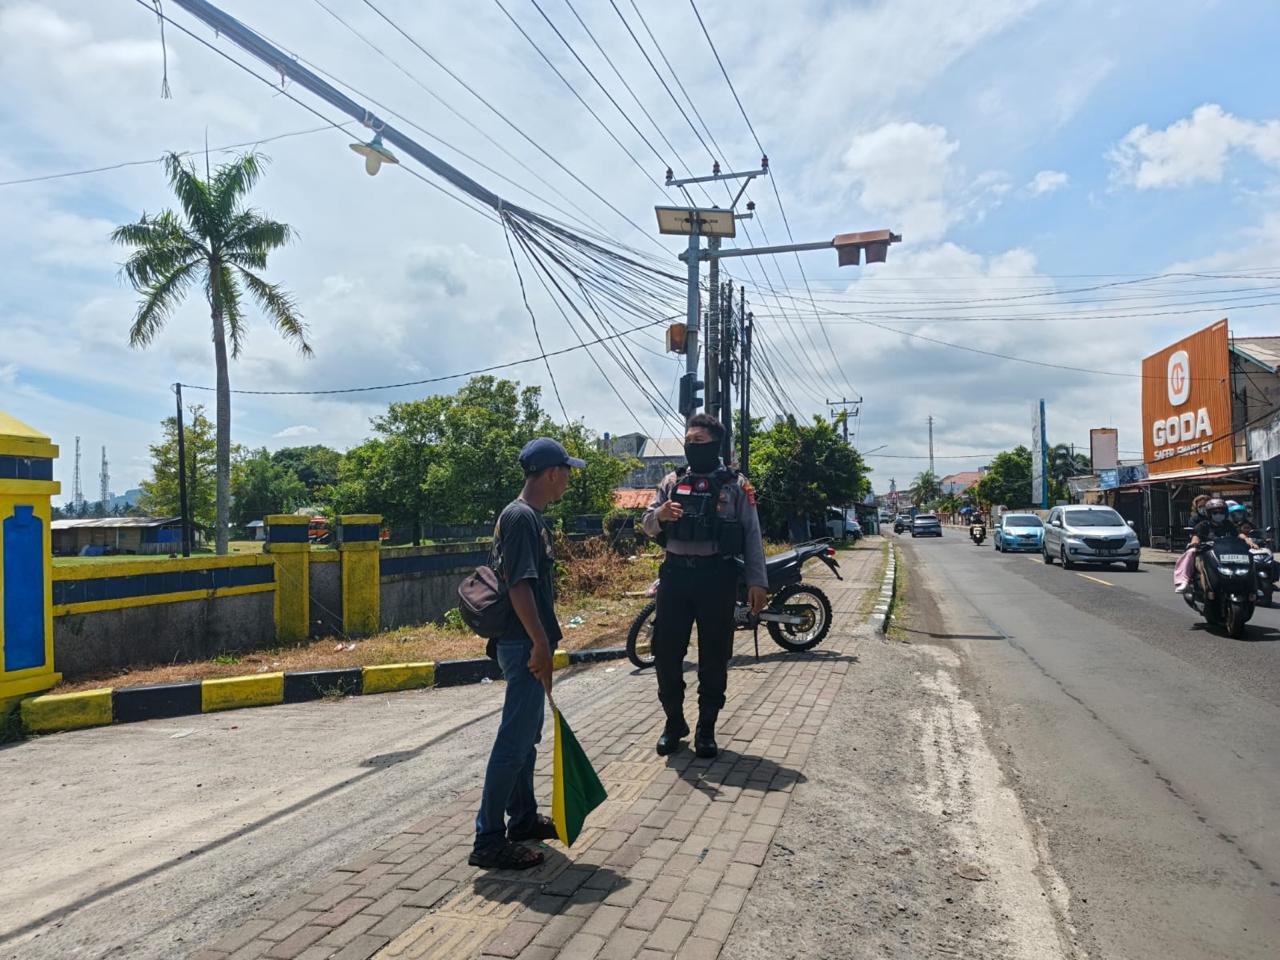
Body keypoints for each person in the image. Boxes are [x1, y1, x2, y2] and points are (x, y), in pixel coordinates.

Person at [470, 437, 583, 871]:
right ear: (552, 473)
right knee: (513, 743)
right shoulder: (520, 518)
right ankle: (488, 840)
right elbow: (519, 586)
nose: (569, 480)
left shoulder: (528, 517)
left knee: (526, 739)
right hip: (523, 645)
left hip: (527, 642)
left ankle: (521, 819)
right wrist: (539, 643)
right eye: (567, 472)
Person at [641, 414, 768, 759]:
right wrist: (660, 515)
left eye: (698, 440)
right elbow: (647, 525)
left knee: (714, 655)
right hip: (676, 576)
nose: (691, 446)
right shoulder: (671, 481)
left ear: (715, 444)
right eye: (688, 440)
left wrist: (757, 581)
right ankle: (674, 722)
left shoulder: (736, 485)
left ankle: (706, 728)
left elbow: (752, 534)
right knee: (666, 653)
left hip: (717, 577)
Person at [1189, 498, 1238, 600]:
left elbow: (1238, 535)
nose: (1218, 515)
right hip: (1206, 555)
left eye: (1221, 512)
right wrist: (1195, 542)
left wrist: (1248, 540)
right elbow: (1196, 536)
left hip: (1225, 555)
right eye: (1215, 513)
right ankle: (1207, 592)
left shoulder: (1229, 525)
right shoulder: (1203, 525)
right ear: (1209, 514)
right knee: (1203, 568)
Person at [1174, 494, 1211, 593]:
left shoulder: (1218, 519)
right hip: (1200, 546)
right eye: (1200, 506)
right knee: (1190, 553)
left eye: (1205, 506)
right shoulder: (1195, 519)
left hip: (1216, 546)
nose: (1203, 508)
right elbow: (1194, 533)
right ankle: (1184, 581)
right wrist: (1195, 541)